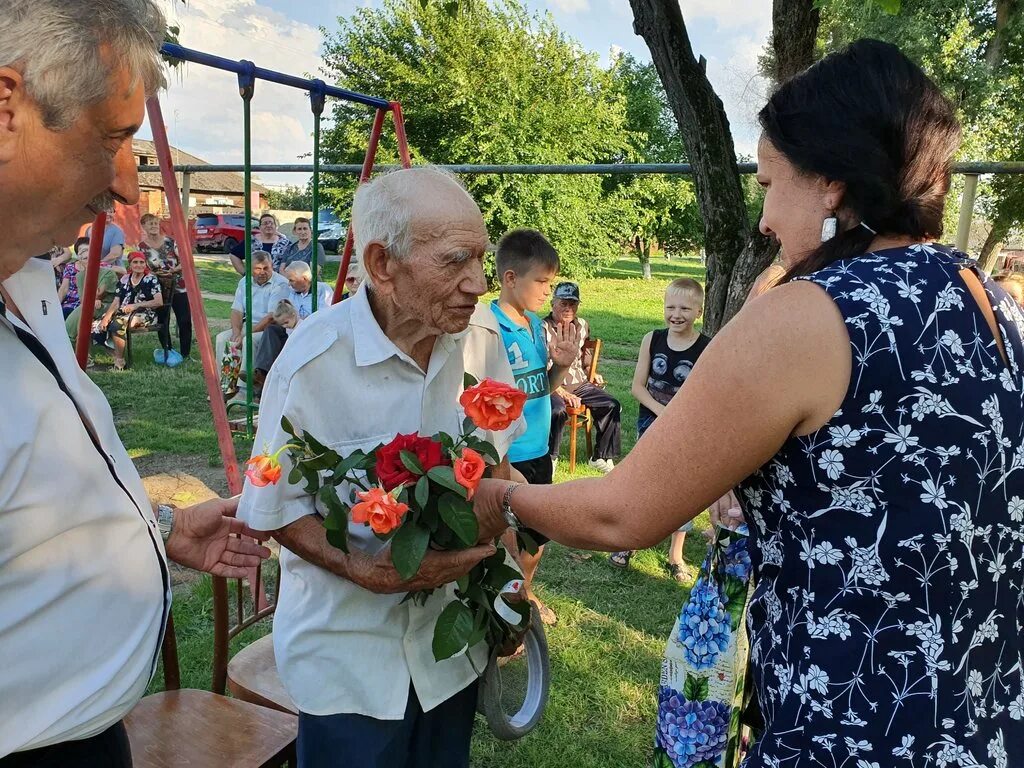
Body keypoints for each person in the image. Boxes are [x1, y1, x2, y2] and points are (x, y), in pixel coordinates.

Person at [471, 40, 1024, 767]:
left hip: (850, 730)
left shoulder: (810, 315)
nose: (763, 218)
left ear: (829, 180)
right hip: (981, 725)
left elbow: (622, 511)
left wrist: (503, 496)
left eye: (769, 182)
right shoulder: (989, 298)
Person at [0, 1, 269, 763]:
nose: (127, 184)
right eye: (115, 138)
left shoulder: (28, 273)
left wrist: (155, 532)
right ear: (6, 107)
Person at [237, 166, 525, 768]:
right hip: (348, 667)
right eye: (454, 262)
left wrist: (512, 591)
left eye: (481, 257)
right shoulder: (310, 364)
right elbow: (275, 510)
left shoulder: (481, 343)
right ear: (382, 264)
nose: (478, 282)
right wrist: (363, 568)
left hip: (451, 653)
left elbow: (496, 470)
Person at [490, 229, 578, 626]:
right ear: (511, 278)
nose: (548, 291)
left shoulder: (532, 325)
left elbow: (540, 387)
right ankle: (506, 613)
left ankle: (524, 597)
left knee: (536, 540)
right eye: (541, 281)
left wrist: (560, 363)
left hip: (540, 448)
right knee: (506, 541)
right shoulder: (486, 328)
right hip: (508, 455)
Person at [609, 278, 709, 579]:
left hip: (685, 427)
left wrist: (677, 418)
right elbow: (638, 387)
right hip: (651, 421)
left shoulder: (707, 347)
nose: (676, 314)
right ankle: (630, 540)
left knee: (681, 488)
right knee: (644, 482)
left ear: (699, 311)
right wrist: (662, 412)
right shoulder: (652, 339)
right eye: (670, 306)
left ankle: (676, 554)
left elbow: (703, 393)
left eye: (685, 308)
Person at [544, 281, 621, 473]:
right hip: (552, 384)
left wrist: (592, 373)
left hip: (579, 383)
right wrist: (561, 392)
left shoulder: (583, 325)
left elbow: (585, 358)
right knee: (558, 410)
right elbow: (541, 368)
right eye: (564, 303)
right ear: (553, 303)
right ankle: (550, 458)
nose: (568, 308)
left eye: (573, 303)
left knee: (611, 404)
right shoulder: (542, 328)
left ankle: (600, 457)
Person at [215, 250, 288, 397]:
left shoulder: (280, 284)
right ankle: (225, 385)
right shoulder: (245, 282)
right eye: (257, 269)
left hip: (269, 328)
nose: (262, 272)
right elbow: (236, 310)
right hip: (248, 324)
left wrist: (245, 335)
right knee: (223, 338)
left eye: (266, 268)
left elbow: (271, 318)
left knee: (249, 340)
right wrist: (236, 332)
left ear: (272, 265)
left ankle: (244, 390)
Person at [250, 261, 332, 390]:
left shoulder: (322, 290)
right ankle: (262, 373)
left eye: (292, 280)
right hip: (292, 329)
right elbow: (288, 312)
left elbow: (323, 315)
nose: (289, 283)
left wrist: (299, 319)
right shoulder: (292, 291)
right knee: (272, 330)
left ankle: (268, 381)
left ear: (304, 278)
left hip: (310, 332)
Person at [139, 212, 192, 361]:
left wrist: (174, 270)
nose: (154, 226)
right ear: (143, 227)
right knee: (163, 321)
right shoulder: (141, 247)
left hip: (178, 285)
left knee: (184, 320)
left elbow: (185, 261)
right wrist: (156, 275)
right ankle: (168, 352)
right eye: (150, 224)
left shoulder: (170, 241)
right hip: (158, 289)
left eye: (156, 223)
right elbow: (142, 267)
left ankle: (185, 354)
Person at [98, 251, 163, 370]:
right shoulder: (124, 279)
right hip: (124, 313)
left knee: (117, 324)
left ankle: (120, 361)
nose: (139, 265)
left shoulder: (151, 279)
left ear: (145, 264)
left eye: (142, 262)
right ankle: (115, 355)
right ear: (130, 265)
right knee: (96, 326)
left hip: (145, 315)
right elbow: (116, 301)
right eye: (135, 262)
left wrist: (136, 305)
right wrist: (106, 317)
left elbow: (159, 302)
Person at [56, 237, 92, 318]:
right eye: (82, 251)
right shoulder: (70, 267)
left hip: (88, 305)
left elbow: (122, 270)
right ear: (77, 254)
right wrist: (55, 307)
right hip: (70, 304)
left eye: (87, 250)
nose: (85, 253)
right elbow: (63, 289)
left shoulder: (98, 267)